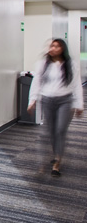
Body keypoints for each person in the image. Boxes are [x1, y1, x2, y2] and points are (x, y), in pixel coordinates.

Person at [27, 38, 83, 176]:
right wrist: (32, 100)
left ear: (62, 49)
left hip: (65, 100)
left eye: (57, 46)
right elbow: (37, 82)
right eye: (52, 46)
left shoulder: (71, 64)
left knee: (60, 130)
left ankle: (57, 163)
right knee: (49, 131)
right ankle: (51, 155)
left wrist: (79, 104)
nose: (53, 49)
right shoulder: (43, 64)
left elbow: (76, 84)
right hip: (47, 100)